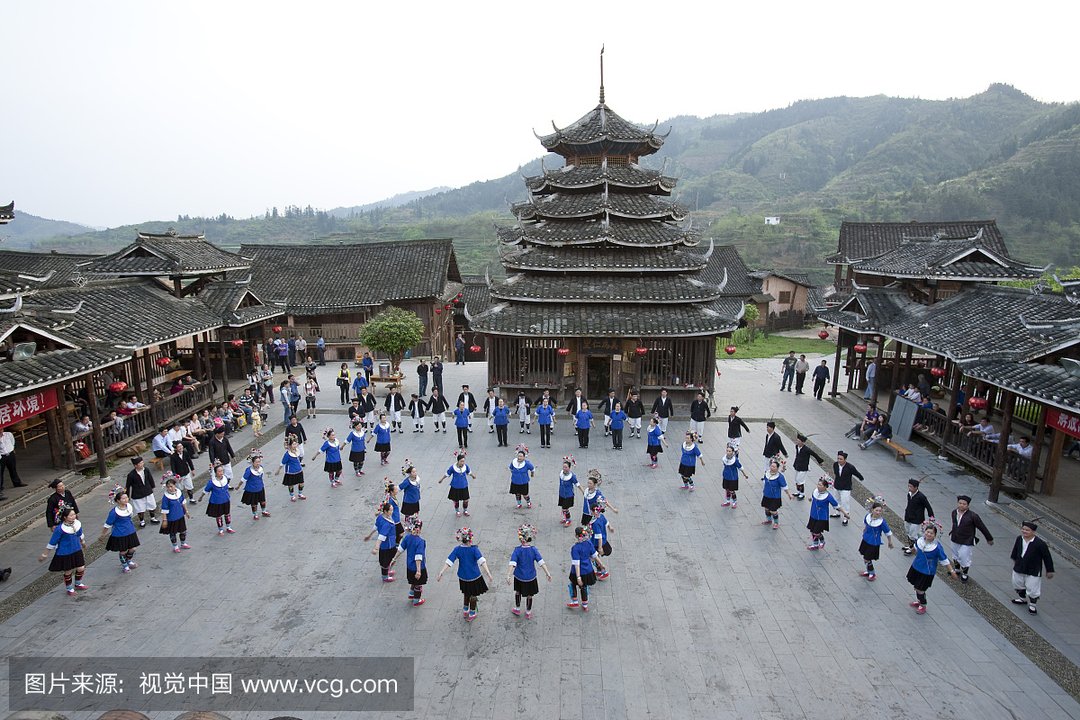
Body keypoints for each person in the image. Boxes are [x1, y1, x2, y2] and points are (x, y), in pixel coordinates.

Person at [436, 526, 496, 621]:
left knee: (466, 592)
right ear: (470, 539)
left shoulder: (457, 549)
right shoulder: (474, 550)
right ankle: (472, 612)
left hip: (463, 576)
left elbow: (449, 561)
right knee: (473, 595)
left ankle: (465, 610)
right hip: (474, 576)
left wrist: (441, 572)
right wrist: (488, 573)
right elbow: (482, 561)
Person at [907, 520, 957, 614]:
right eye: (927, 532)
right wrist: (911, 550)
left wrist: (952, 571)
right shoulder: (920, 541)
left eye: (931, 533)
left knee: (920, 588)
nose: (929, 534)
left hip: (927, 571)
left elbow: (944, 560)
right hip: (916, 567)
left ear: (935, 535)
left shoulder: (937, 547)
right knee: (917, 587)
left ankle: (923, 604)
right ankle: (919, 601)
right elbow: (915, 548)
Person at [1010, 519, 1055, 615]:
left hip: (1033, 570)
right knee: (1018, 583)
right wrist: (1014, 560)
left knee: (1033, 588)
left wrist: (1049, 570)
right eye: (1023, 529)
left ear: (1033, 532)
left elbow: (1047, 557)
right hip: (1019, 567)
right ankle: (1022, 598)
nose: (1024, 532)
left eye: (1027, 530)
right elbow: (1015, 550)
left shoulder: (1040, 544)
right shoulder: (1019, 539)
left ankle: (1033, 605)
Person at [39, 506, 87, 595]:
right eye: (71, 515)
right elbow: (52, 542)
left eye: (74, 514)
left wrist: (83, 542)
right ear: (65, 517)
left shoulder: (77, 524)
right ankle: (69, 588)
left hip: (76, 549)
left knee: (81, 568)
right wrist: (45, 554)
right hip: (65, 552)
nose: (74, 516)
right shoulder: (60, 529)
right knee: (68, 570)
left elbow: (80, 534)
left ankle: (78, 583)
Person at [507, 523, 551, 618]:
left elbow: (512, 563)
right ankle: (528, 612)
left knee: (518, 592)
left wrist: (508, 575)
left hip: (519, 577)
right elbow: (541, 562)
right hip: (531, 577)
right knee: (530, 595)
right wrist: (547, 573)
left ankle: (517, 609)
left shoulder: (517, 550)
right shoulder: (534, 550)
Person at [948, 494, 994, 583]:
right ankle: (957, 569)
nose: (961, 505)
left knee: (964, 556)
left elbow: (982, 527)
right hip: (955, 537)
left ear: (968, 505)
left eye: (964, 504)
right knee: (955, 554)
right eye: (960, 503)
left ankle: (965, 573)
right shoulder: (954, 512)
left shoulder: (973, 516)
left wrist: (989, 538)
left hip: (967, 539)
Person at [391, 515, 428, 606]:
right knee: (418, 584)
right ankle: (416, 600)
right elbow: (418, 557)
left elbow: (400, 549)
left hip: (409, 566)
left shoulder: (407, 538)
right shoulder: (420, 541)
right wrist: (419, 571)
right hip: (418, 567)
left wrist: (394, 558)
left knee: (412, 581)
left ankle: (411, 594)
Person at [100, 491, 140, 573]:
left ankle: (128, 560)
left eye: (126, 498)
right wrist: (103, 534)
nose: (126, 500)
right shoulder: (114, 512)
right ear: (118, 500)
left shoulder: (129, 506)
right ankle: (125, 565)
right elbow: (108, 524)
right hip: (120, 533)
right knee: (123, 551)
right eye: (123, 498)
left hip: (130, 531)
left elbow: (130, 516)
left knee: (132, 548)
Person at [858, 498, 894, 581]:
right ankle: (868, 570)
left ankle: (872, 573)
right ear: (872, 510)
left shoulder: (882, 522)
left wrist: (890, 542)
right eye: (876, 510)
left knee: (866, 558)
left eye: (880, 511)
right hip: (866, 539)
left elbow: (887, 532)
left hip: (874, 542)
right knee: (866, 557)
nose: (878, 512)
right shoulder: (867, 517)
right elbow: (866, 525)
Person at [567, 525, 600, 612]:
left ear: (577, 536)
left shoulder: (575, 548)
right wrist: (602, 565)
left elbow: (576, 563)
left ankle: (574, 600)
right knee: (584, 586)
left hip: (577, 571)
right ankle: (585, 605)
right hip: (588, 570)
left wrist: (578, 577)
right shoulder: (589, 543)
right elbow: (595, 556)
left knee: (573, 583)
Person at [198, 462, 235, 536]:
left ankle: (228, 527)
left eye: (222, 471)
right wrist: (201, 497)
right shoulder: (212, 482)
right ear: (215, 472)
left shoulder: (225, 479)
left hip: (226, 500)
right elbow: (206, 490)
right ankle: (220, 529)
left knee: (227, 514)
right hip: (217, 501)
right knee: (218, 516)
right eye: (219, 471)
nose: (221, 473)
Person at [806, 477, 843, 549]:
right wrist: (810, 498)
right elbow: (813, 497)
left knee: (816, 532)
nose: (818, 486)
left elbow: (836, 505)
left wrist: (845, 513)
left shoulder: (828, 496)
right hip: (813, 514)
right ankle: (815, 544)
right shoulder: (815, 491)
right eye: (818, 484)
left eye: (820, 485)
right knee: (812, 530)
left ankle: (822, 540)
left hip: (822, 517)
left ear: (825, 487)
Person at [901, 479, 935, 555]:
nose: (909, 488)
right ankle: (911, 545)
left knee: (913, 534)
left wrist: (931, 516)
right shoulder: (909, 494)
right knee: (908, 531)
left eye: (911, 486)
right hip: (908, 516)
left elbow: (928, 506)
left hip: (917, 518)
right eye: (908, 486)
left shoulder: (921, 497)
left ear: (916, 487)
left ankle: (913, 548)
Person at [366, 502, 398, 583]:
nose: (392, 512)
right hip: (388, 545)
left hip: (389, 543)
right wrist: (376, 548)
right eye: (390, 510)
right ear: (386, 511)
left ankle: (387, 570)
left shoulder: (380, 517)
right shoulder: (387, 524)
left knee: (389, 558)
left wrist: (369, 535)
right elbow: (381, 537)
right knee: (386, 560)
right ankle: (385, 576)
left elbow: (375, 527)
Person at [158, 474, 190, 552]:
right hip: (172, 518)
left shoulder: (179, 493)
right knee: (173, 533)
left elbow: (183, 502)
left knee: (183, 530)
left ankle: (183, 543)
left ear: (175, 485)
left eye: (171, 486)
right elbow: (164, 509)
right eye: (168, 487)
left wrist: (186, 511)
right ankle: (175, 546)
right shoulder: (166, 497)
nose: (170, 488)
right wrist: (165, 520)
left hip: (180, 516)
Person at [236, 450, 270, 519]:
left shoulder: (261, 468)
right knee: (254, 503)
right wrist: (238, 486)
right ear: (253, 462)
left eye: (259, 462)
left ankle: (264, 511)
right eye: (256, 462)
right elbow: (243, 479)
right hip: (252, 489)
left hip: (260, 487)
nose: (258, 463)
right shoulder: (249, 470)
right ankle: (255, 514)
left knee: (262, 500)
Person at [831, 450, 863, 526]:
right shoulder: (835, 464)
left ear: (845, 459)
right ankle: (837, 512)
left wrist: (861, 478)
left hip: (846, 487)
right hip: (837, 485)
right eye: (838, 458)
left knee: (845, 502)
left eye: (841, 459)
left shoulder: (850, 467)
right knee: (836, 500)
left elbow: (856, 473)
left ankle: (846, 517)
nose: (839, 460)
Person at [439, 453, 475, 517]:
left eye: (463, 461)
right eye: (461, 461)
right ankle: (457, 511)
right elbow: (447, 474)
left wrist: (473, 476)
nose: (462, 463)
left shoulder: (465, 466)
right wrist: (441, 479)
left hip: (464, 486)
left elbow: (469, 472)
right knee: (456, 500)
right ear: (458, 461)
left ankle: (465, 510)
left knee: (466, 500)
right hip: (455, 486)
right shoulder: (453, 467)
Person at [125, 457, 158, 527]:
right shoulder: (131, 475)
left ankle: (153, 517)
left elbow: (150, 479)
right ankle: (142, 521)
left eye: (142, 462)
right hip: (137, 494)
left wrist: (152, 487)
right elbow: (128, 486)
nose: (142, 464)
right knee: (140, 508)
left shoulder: (146, 470)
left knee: (151, 505)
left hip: (147, 490)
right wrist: (127, 496)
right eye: (140, 463)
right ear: (135, 465)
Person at [791, 433, 824, 500]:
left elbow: (814, 454)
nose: (797, 442)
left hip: (803, 467)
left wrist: (820, 461)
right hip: (797, 465)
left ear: (803, 442)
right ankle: (798, 492)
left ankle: (802, 494)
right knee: (797, 480)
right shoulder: (797, 446)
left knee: (801, 481)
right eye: (797, 440)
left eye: (799, 441)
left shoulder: (807, 449)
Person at [760, 459, 791, 528]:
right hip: (767, 494)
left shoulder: (780, 477)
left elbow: (784, 486)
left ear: (777, 468)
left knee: (773, 511)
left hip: (775, 496)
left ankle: (776, 522)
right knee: (767, 509)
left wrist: (789, 494)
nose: (772, 468)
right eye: (771, 466)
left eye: (774, 467)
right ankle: (769, 520)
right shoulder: (767, 474)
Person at [277, 438, 306, 502]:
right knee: (291, 484)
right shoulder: (287, 454)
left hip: (299, 470)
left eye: (295, 444)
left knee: (301, 483)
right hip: (291, 472)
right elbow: (283, 462)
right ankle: (292, 495)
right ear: (290, 445)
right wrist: (278, 470)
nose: (295, 445)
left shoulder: (297, 451)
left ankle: (300, 493)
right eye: (293, 444)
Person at [720, 444, 749, 508]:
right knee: (727, 489)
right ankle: (727, 501)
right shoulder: (724, 458)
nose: (728, 452)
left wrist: (745, 474)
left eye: (730, 451)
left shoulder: (735, 460)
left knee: (732, 491)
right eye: (727, 451)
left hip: (733, 478)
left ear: (733, 452)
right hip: (726, 476)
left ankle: (734, 502)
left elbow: (740, 467)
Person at [557, 457, 579, 526]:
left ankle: (568, 520)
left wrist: (583, 491)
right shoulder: (561, 473)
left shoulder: (572, 476)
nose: (564, 468)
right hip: (562, 494)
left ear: (569, 468)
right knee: (563, 507)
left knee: (565, 508)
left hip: (568, 495)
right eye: (563, 467)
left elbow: (577, 484)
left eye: (566, 467)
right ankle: (565, 518)